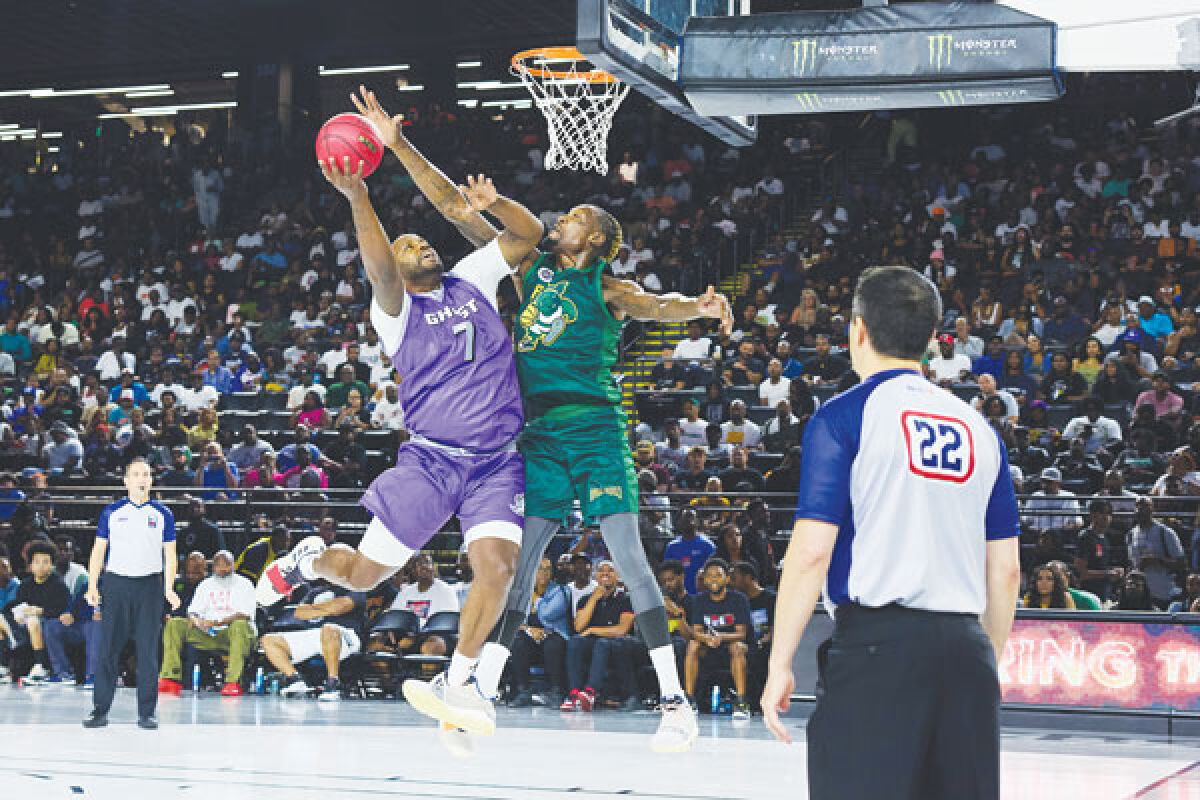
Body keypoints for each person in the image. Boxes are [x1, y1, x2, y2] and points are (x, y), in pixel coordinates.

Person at [258, 89, 541, 745]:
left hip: (498, 462)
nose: (418, 244)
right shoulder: (395, 313)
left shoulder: (471, 277)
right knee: (359, 577)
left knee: (496, 569)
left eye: (420, 239)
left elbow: (527, 237)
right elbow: (379, 266)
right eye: (408, 242)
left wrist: (489, 204)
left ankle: (459, 683)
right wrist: (360, 198)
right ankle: (307, 560)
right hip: (433, 461)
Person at [461, 180, 731, 750]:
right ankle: (481, 687)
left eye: (577, 215)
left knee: (628, 556)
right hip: (539, 432)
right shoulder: (530, 267)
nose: (563, 217)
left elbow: (658, 307)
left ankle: (674, 702)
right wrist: (483, 200)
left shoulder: (608, 286)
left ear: (598, 238)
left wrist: (699, 307)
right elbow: (480, 228)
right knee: (521, 561)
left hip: (595, 431)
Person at [761, 266, 1020, 800]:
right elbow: (1007, 569)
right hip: (967, 652)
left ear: (857, 330)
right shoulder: (980, 429)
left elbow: (811, 554)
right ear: (930, 338)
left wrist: (780, 663)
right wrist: (980, 664)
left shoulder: (843, 416)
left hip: (878, 650)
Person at [83, 459, 180, 729]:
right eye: (136, 474)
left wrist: (168, 588)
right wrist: (92, 585)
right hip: (116, 585)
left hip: (149, 587)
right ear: (125, 480)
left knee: (148, 652)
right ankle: (99, 710)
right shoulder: (112, 512)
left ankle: (147, 712)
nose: (141, 479)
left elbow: (170, 555)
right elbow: (98, 550)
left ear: (151, 480)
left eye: (146, 474)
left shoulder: (163, 514)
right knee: (108, 651)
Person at [158, 550, 256, 697]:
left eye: (226, 565)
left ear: (233, 565)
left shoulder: (245, 584)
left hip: (236, 634)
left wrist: (218, 622)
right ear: (213, 567)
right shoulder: (206, 585)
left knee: (239, 625)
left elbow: (245, 614)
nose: (222, 570)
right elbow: (193, 612)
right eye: (218, 566)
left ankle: (233, 682)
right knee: (175, 624)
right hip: (209, 633)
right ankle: (170, 678)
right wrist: (199, 622)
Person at [260, 580, 367, 701]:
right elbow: (299, 613)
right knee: (268, 640)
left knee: (328, 628)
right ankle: (295, 680)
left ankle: (333, 683)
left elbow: (343, 606)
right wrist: (331, 608)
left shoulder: (355, 588)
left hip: (346, 635)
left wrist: (313, 609)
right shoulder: (314, 592)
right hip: (314, 634)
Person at [561, 560, 638, 713]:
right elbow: (579, 627)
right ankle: (574, 693)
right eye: (601, 570)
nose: (605, 573)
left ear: (618, 576)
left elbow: (622, 630)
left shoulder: (626, 599)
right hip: (597, 643)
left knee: (602, 643)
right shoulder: (586, 599)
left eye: (610, 570)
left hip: (621, 644)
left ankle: (590, 692)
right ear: (595, 576)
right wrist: (594, 599)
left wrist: (593, 630)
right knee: (575, 641)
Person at [684, 558, 753, 720]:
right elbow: (696, 632)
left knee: (736, 646)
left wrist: (720, 637)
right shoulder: (699, 600)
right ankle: (689, 699)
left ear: (727, 578)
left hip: (732, 645)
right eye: (709, 576)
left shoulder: (739, 599)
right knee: (693, 645)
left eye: (718, 575)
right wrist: (707, 639)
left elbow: (741, 633)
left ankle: (741, 702)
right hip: (708, 646)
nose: (713, 579)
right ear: (704, 580)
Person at [1127, 495, 1186, 608]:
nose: (1141, 511)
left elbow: (1181, 564)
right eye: (1139, 507)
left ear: (1152, 509)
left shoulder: (1166, 533)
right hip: (1140, 595)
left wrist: (1157, 560)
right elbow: (1131, 563)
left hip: (1163, 594)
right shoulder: (1130, 534)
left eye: (1145, 507)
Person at [662, 508, 716, 595]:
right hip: (678, 596)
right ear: (679, 522)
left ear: (697, 521)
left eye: (691, 517)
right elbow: (666, 573)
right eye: (684, 518)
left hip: (702, 596)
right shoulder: (672, 547)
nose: (688, 521)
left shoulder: (708, 545)